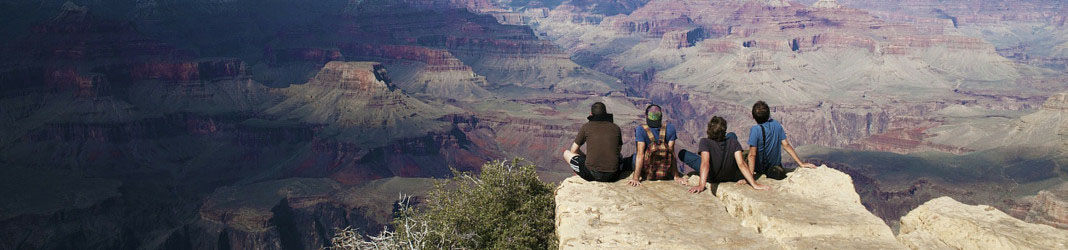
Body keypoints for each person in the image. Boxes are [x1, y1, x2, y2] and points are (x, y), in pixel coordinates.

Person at [678, 116, 768, 193]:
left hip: (712, 176)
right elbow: (741, 164)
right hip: (731, 176)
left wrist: (701, 185)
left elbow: (705, 164)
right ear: (724, 131)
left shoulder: (705, 142)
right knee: (732, 134)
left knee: (682, 153)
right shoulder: (733, 142)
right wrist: (754, 184)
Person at [746, 101, 816, 180]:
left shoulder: (755, 130)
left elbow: (752, 154)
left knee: (743, 155)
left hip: (761, 168)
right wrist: (801, 163)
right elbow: (786, 145)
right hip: (776, 165)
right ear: (768, 114)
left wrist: (750, 177)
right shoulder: (776, 124)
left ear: (753, 116)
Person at [562, 102, 623, 182]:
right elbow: (618, 151)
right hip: (613, 175)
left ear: (591, 114)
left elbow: (574, 150)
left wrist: (585, 156)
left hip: (591, 174)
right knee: (620, 156)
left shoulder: (586, 127)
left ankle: (579, 175)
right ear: (605, 113)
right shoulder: (616, 128)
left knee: (566, 153)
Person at [628, 104, 687, 187]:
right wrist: (676, 176)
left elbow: (640, 155)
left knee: (633, 157)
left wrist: (636, 178)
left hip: (647, 171)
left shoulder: (640, 130)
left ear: (646, 116)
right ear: (661, 116)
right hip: (665, 171)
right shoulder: (671, 128)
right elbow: (672, 153)